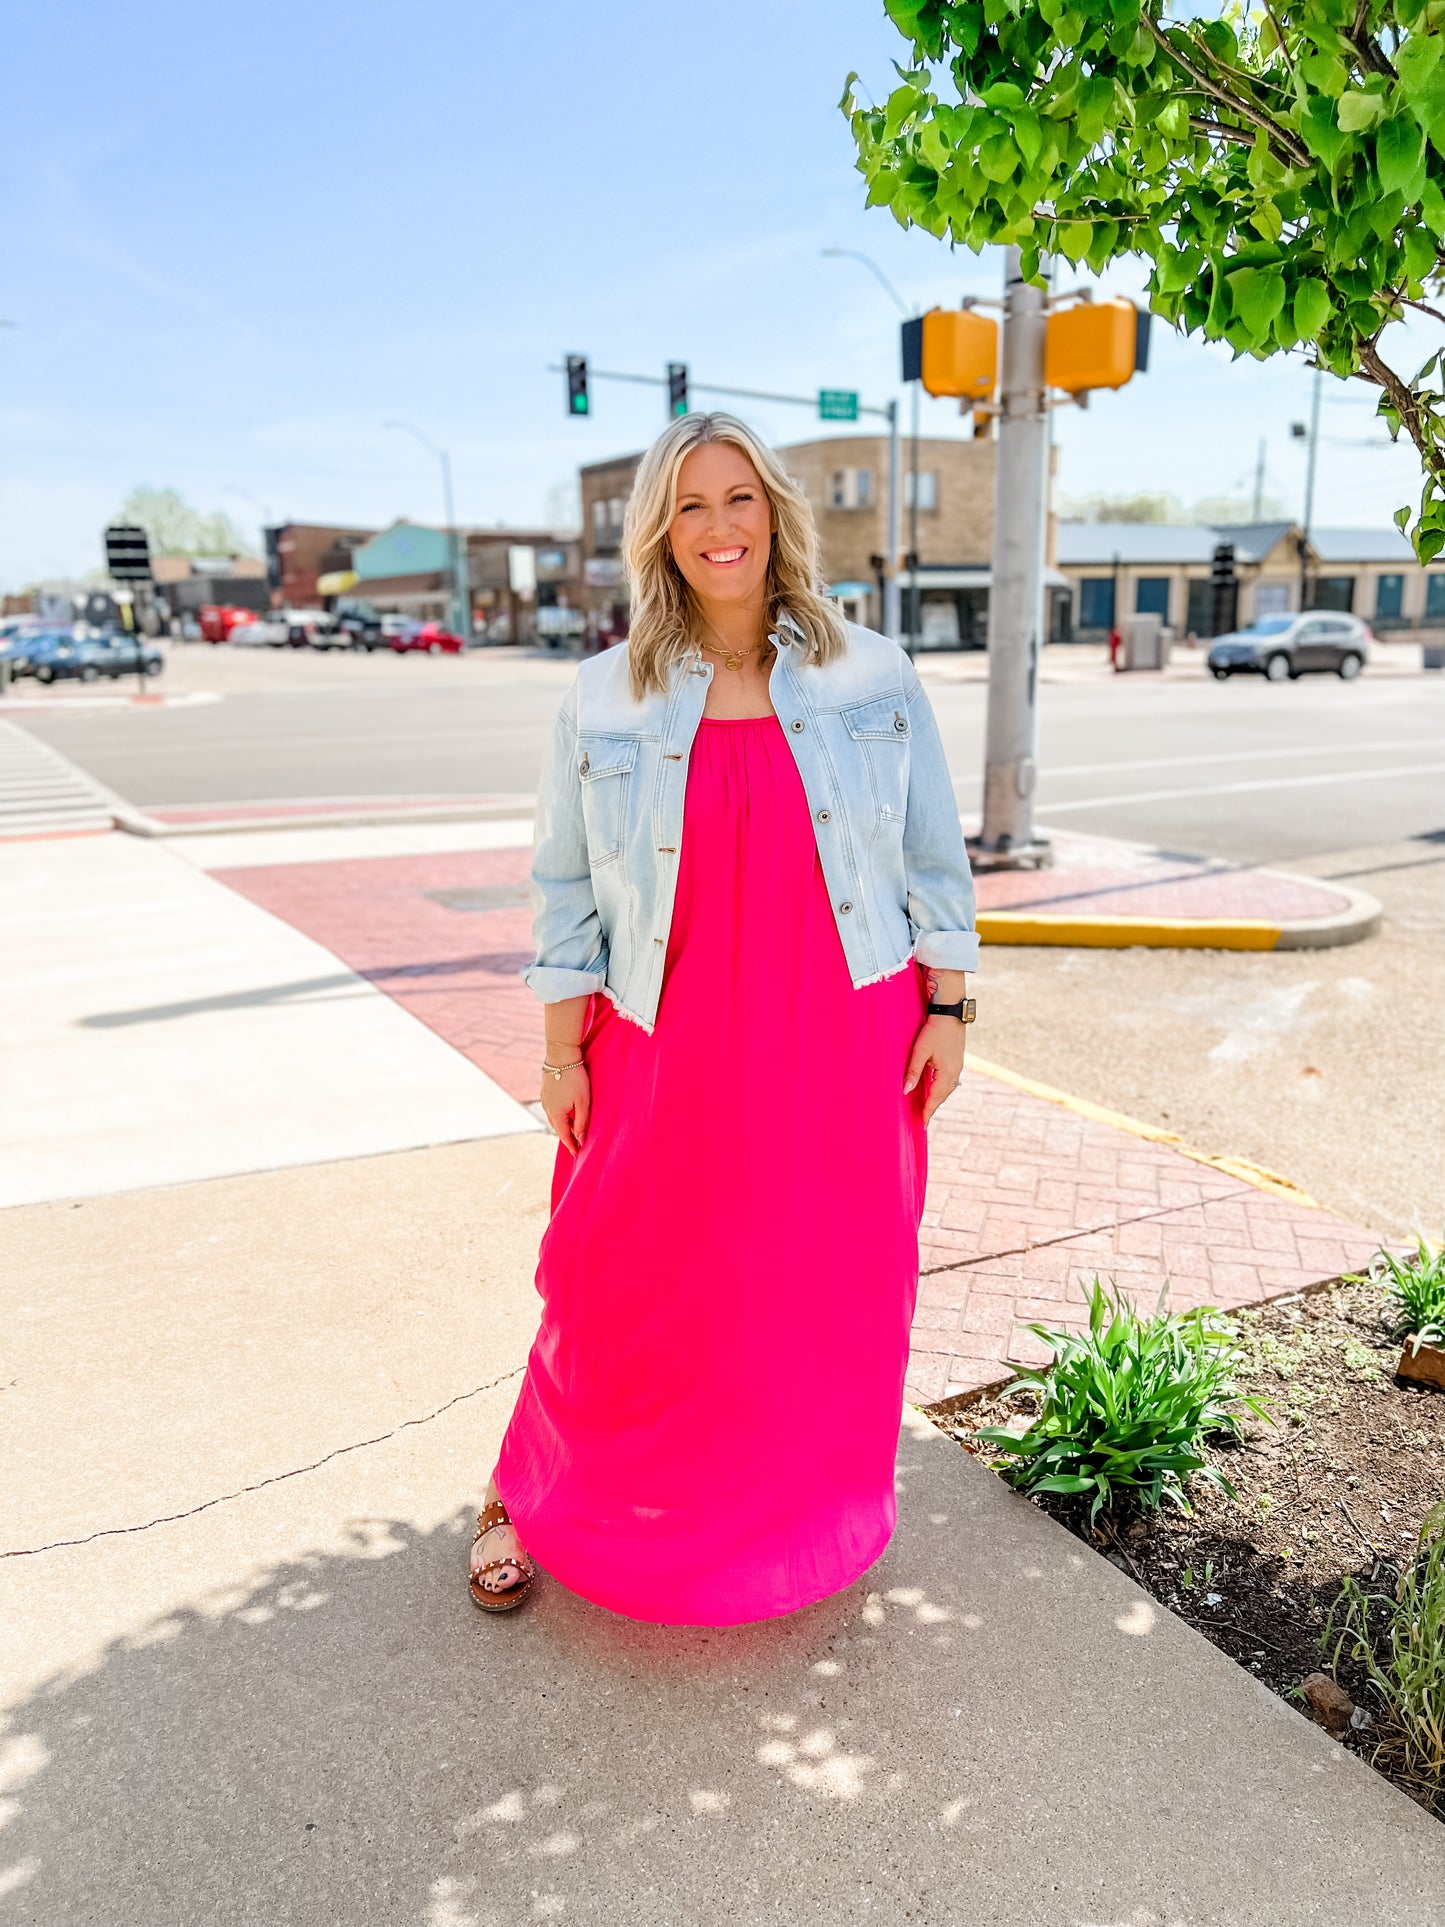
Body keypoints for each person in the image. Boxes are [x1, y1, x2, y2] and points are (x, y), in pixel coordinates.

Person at [469, 412, 978, 1622]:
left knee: (815, 1281)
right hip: (661, 1027)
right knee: (621, 1278)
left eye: (737, 498)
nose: (718, 528)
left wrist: (950, 1002)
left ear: (774, 513)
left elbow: (929, 851)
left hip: (842, 1020)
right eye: (689, 506)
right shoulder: (603, 695)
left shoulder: (869, 670)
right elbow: (561, 882)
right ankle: (522, 1491)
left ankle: (793, 1521)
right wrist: (559, 1048)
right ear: (659, 531)